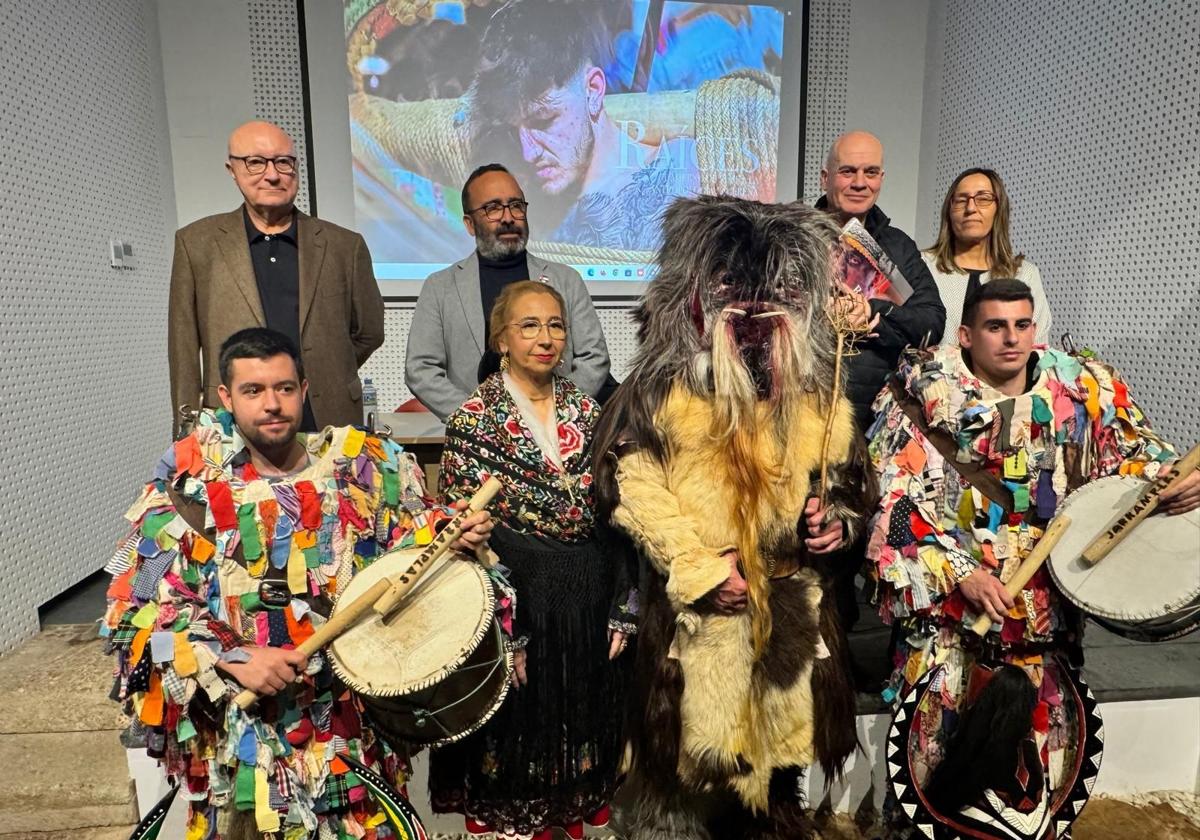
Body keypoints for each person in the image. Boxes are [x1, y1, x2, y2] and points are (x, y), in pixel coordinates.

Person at [102, 327, 492, 838]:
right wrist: (233, 656)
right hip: (252, 750)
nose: (272, 404)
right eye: (253, 390)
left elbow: (412, 547)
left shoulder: (364, 471)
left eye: (284, 388)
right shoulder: (188, 490)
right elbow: (135, 615)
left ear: (304, 391)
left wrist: (454, 535)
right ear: (225, 397)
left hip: (351, 734)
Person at [865, 279, 1200, 834]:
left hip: (1045, 627)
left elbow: (1138, 460)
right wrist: (961, 573)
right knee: (934, 759)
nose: (1011, 339)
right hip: (950, 626)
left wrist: (1174, 482)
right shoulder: (918, 398)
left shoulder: (1083, 394)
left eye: (1022, 325)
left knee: (1037, 757)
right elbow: (890, 504)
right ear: (966, 335)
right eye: (996, 327)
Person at [594, 197, 873, 839]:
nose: (752, 311)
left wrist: (838, 520)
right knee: (678, 780)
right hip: (696, 621)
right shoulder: (658, 392)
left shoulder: (819, 394)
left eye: (776, 294)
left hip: (788, 618)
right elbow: (629, 487)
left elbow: (848, 482)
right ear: (693, 299)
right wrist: (699, 569)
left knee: (776, 781)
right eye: (730, 290)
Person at [427, 281, 634, 839]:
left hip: (586, 604)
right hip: (520, 603)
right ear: (501, 339)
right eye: (529, 326)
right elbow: (466, 541)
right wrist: (506, 632)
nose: (546, 338)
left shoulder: (590, 411)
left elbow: (622, 515)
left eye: (556, 325)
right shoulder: (474, 419)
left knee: (578, 750)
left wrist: (625, 604)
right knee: (517, 753)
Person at [168, 121, 384, 435]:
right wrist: (186, 432)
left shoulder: (344, 246)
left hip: (326, 418)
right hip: (231, 423)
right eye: (255, 162)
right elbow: (183, 347)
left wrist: (325, 371)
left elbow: (369, 332)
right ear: (232, 169)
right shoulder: (196, 243)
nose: (272, 175)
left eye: (283, 162)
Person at [469, 0, 701, 250]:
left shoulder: (680, 168)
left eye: (544, 121)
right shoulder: (524, 203)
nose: (528, 153)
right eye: (513, 130)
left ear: (593, 89)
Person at [405, 164, 610, 419]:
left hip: (556, 429)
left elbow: (594, 357)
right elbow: (420, 369)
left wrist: (556, 412)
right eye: (492, 208)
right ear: (470, 224)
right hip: (477, 433)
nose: (508, 217)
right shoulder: (440, 287)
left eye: (516, 205)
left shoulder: (566, 280)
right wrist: (479, 418)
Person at [815, 130, 946, 432]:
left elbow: (932, 322)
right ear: (825, 178)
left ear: (881, 179)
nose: (860, 183)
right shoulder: (791, 238)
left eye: (870, 172)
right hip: (804, 412)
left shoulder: (898, 247)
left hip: (877, 421)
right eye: (847, 171)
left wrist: (873, 310)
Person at [924, 167, 1052, 344]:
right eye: (961, 200)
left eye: (983, 199)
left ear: (999, 209)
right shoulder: (922, 266)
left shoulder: (1025, 275)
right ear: (949, 211)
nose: (971, 208)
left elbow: (1037, 347)